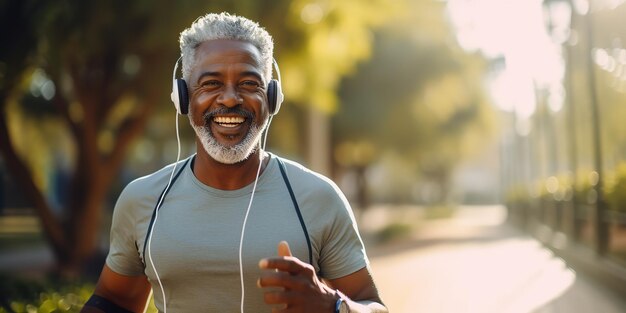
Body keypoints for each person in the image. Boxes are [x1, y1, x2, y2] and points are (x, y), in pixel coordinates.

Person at [81, 12, 387, 313]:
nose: (229, 99)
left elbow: (373, 306)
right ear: (183, 97)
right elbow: (114, 301)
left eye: (248, 84)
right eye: (211, 84)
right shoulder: (142, 200)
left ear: (271, 98)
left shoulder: (318, 197)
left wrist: (334, 306)